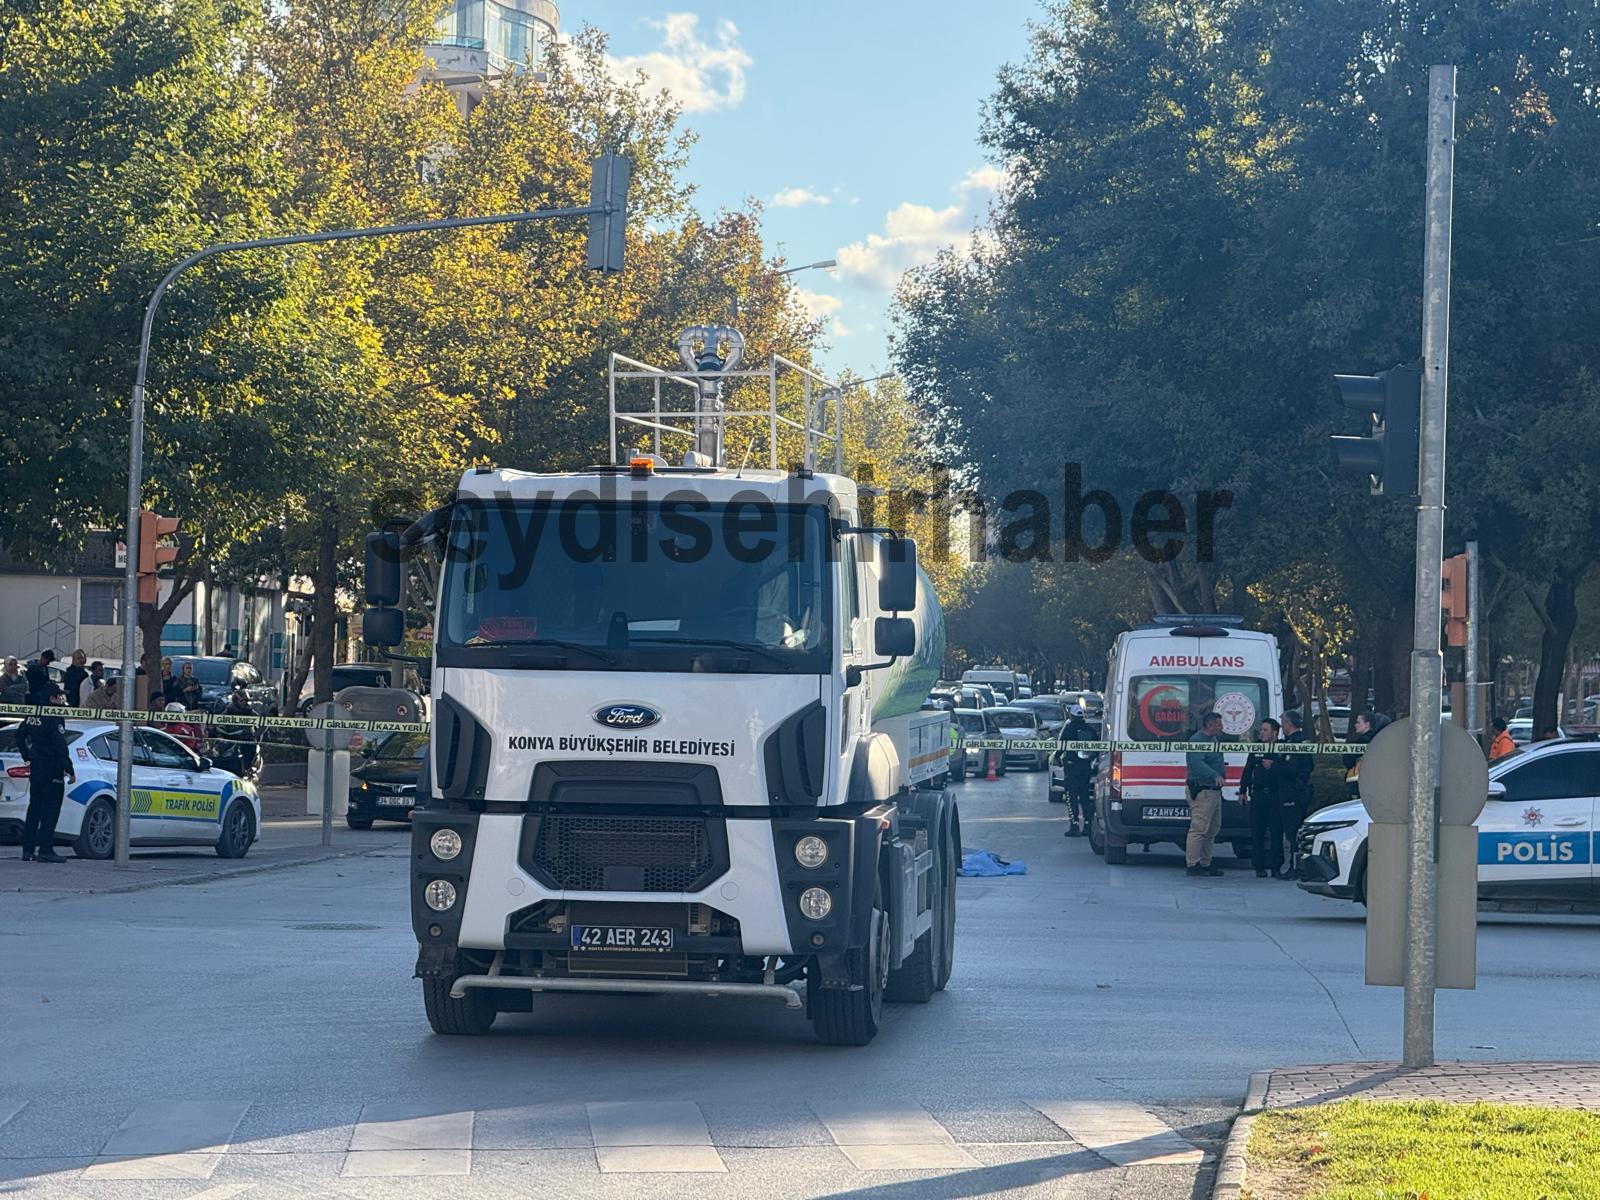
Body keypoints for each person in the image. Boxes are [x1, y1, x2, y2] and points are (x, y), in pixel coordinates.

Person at [16, 684, 74, 862]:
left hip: (37, 766)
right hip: (52, 766)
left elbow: (19, 735)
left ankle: (27, 850)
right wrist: (69, 767)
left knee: (34, 808)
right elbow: (59, 743)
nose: (61, 700)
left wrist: (27, 755)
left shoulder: (33, 714)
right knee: (50, 809)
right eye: (59, 697)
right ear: (52, 699)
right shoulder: (54, 716)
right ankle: (46, 849)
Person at [1240, 717, 1287, 878]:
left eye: (1265, 730)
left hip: (1275, 795)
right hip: (1259, 794)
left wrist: (1274, 766)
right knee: (1257, 832)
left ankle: (1276, 867)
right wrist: (1242, 790)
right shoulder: (1256, 747)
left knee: (1276, 832)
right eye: (1261, 729)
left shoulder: (1282, 747)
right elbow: (1248, 770)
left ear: (1275, 733)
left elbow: (1288, 770)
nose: (1261, 732)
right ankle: (1258, 866)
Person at [1184, 711, 1226, 877]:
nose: (1221, 727)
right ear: (1210, 725)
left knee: (1212, 828)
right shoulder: (1197, 741)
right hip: (1202, 790)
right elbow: (1196, 763)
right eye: (1218, 724)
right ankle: (1192, 864)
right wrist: (1215, 775)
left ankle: (1205, 862)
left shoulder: (1213, 740)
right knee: (1199, 829)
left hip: (1214, 792)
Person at [1278, 710, 1315, 875]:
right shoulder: (1298, 741)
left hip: (1294, 792)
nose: (1282, 727)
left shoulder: (1296, 743)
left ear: (1289, 724)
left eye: (1283, 723)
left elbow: (1292, 769)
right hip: (1297, 791)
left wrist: (1275, 767)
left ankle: (1296, 867)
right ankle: (1296, 866)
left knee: (1293, 832)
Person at [1059, 706, 1097, 838]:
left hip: (1071, 768)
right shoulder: (1090, 730)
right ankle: (1087, 825)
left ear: (1072, 716)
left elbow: (1061, 746)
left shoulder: (1069, 729)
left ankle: (1074, 826)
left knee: (1071, 798)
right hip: (1085, 768)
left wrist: (1057, 758)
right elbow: (1097, 749)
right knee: (1085, 797)